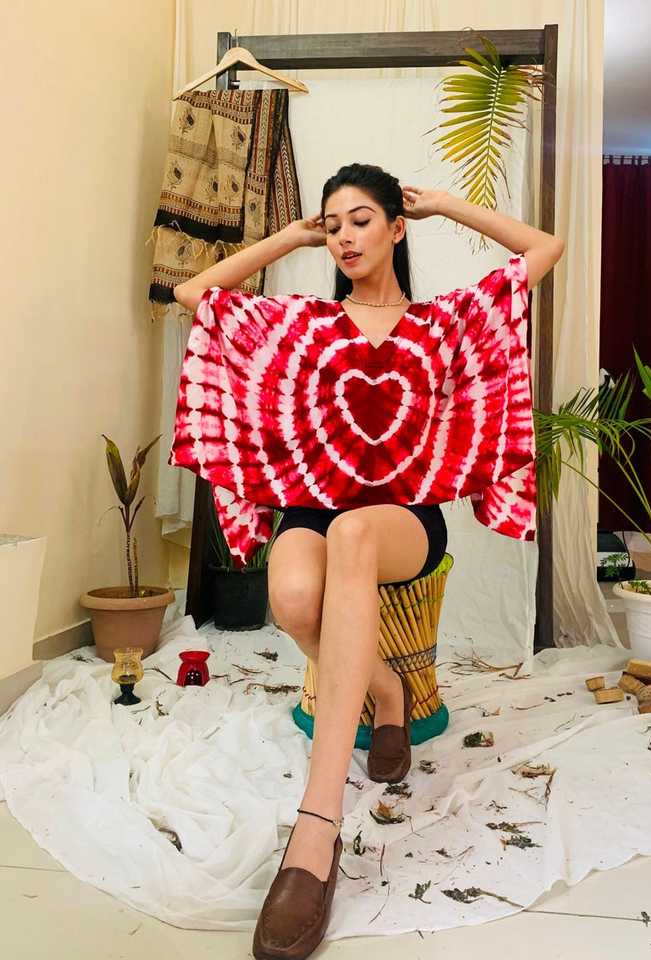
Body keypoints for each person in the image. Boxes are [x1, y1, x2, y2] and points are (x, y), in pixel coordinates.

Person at [174, 163, 564, 960]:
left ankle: (316, 826)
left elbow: (542, 249)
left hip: (402, 519)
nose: (345, 237)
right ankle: (386, 690)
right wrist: (289, 236)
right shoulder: (306, 323)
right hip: (313, 506)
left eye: (360, 220)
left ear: (395, 227)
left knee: (353, 536)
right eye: (333, 225)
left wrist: (446, 203)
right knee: (290, 598)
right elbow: (196, 293)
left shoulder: (440, 323)